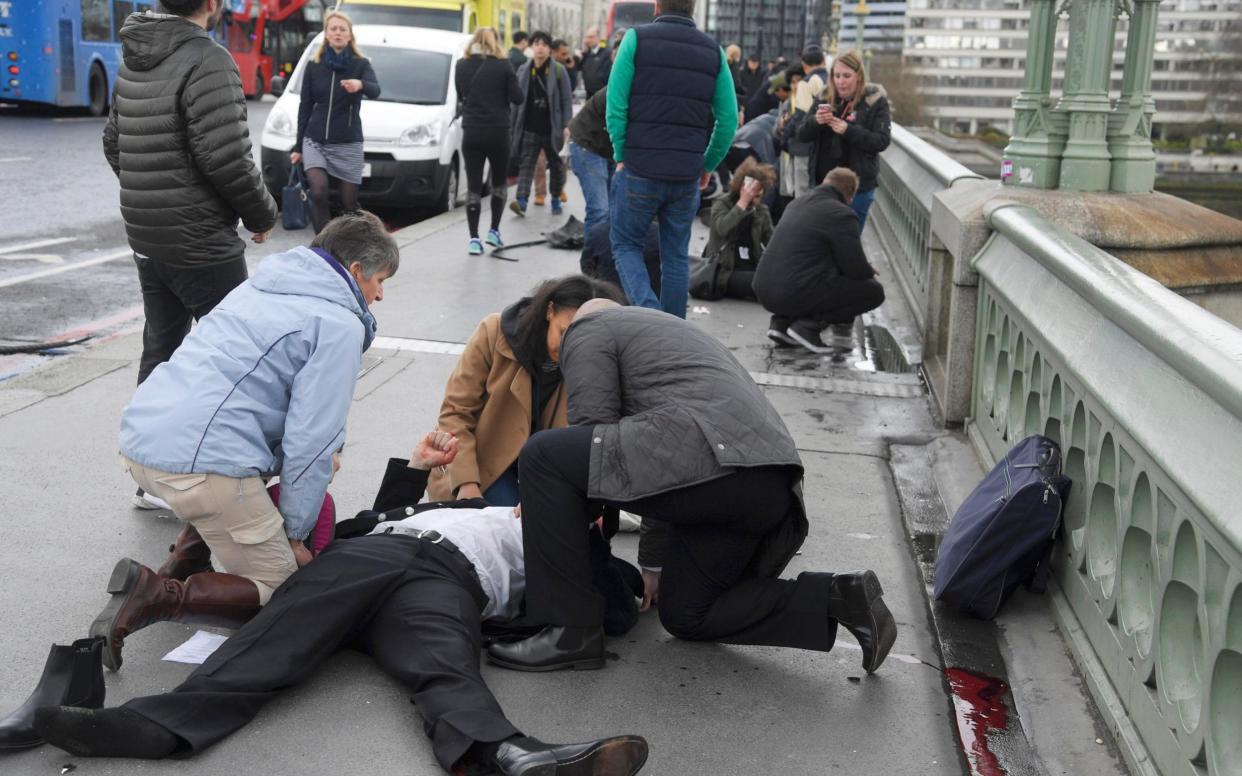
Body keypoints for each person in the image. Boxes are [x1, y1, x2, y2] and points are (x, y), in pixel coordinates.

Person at [32, 432, 651, 776]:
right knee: (279, 639)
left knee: (444, 666)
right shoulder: (465, 505)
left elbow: (614, 610)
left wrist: (582, 534)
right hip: (374, 555)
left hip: (450, 581)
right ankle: (157, 724)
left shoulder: (566, 537)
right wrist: (413, 471)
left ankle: (506, 756)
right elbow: (365, 522)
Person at [485, 302, 898, 676]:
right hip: (766, 484)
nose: (559, 354)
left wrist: (558, 503)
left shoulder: (591, 326)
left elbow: (596, 431)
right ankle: (836, 596)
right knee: (689, 614)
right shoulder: (675, 345)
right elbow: (655, 467)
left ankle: (568, 631)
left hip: (714, 462)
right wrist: (652, 566)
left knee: (542, 455)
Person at [95, 212, 398, 671]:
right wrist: (294, 534)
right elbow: (311, 442)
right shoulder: (338, 322)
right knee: (281, 588)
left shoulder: (263, 284)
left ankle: (180, 564)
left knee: (245, 467)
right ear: (356, 272)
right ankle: (157, 595)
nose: (380, 294)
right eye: (380, 280)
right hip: (199, 465)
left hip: (142, 441)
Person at [103, 0, 277, 388]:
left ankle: (142, 444)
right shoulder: (208, 58)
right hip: (200, 242)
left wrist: (152, 193)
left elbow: (115, 144)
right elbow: (228, 158)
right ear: (212, 4)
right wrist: (262, 215)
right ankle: (225, 446)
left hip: (148, 237)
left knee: (161, 349)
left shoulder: (135, 54)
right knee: (238, 356)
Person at [429, 275, 627, 505]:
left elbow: (596, 436)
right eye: (564, 333)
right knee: (514, 528)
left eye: (580, 340)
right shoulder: (493, 332)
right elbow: (455, 413)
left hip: (548, 471)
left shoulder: (596, 361)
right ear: (549, 311)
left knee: (567, 533)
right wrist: (466, 484)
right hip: (482, 464)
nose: (568, 348)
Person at [606, 0, 739, 319]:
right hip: (685, 176)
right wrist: (707, 164)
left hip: (639, 167)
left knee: (625, 245)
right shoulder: (714, 52)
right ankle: (675, 330)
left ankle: (649, 315)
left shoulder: (635, 40)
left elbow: (616, 106)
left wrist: (621, 154)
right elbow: (729, 120)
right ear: (692, 7)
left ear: (656, 5)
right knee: (676, 257)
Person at [752, 167, 885, 353]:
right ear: (850, 197)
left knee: (810, 275)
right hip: (791, 292)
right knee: (873, 292)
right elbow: (854, 269)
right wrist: (868, 270)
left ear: (824, 182)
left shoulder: (796, 204)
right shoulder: (842, 215)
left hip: (763, 290)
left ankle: (781, 325)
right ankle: (808, 327)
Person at [290, 11, 380, 235]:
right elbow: (305, 106)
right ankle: (324, 242)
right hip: (315, 140)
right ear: (327, 34)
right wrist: (298, 146)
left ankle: (350, 240)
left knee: (348, 204)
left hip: (348, 143)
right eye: (333, 29)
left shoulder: (360, 65)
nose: (338, 33)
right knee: (318, 192)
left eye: (342, 29)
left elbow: (376, 90)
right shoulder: (314, 65)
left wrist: (360, 84)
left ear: (350, 36)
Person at [798, 49, 892, 230]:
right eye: (837, 75)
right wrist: (816, 121)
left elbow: (881, 141)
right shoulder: (824, 97)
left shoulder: (874, 100)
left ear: (859, 76)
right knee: (821, 242)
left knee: (848, 240)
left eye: (847, 76)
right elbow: (802, 134)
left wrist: (849, 130)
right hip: (823, 184)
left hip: (857, 188)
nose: (841, 82)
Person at [456, 27, 523, 255]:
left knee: (474, 185)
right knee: (499, 182)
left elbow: (460, 94)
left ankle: (474, 239)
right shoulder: (504, 65)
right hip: (498, 131)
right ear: (495, 42)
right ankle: (494, 231)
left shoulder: (461, 65)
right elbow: (518, 97)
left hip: (472, 130)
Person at [567, 29, 627, 240]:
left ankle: (604, 259)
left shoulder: (634, 79)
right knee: (600, 209)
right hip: (587, 146)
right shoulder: (618, 85)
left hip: (607, 148)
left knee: (612, 210)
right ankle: (591, 263)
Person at [509, 31, 573, 218]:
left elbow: (566, 101)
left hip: (551, 127)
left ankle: (554, 198)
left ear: (549, 49)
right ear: (531, 47)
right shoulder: (523, 70)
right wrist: (513, 123)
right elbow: (516, 100)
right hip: (529, 126)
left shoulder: (559, 71)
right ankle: (521, 201)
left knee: (555, 164)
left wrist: (566, 125)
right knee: (526, 164)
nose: (540, 48)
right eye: (536, 44)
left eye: (544, 45)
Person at [694, 157, 775, 301]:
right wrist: (742, 203)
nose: (754, 199)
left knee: (779, 281)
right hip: (724, 270)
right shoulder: (723, 203)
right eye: (752, 194)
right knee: (764, 285)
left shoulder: (761, 210)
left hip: (751, 265)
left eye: (758, 196)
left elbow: (772, 242)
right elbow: (721, 228)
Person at [581, 219, 661, 296]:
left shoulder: (598, 232)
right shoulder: (659, 232)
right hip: (651, 298)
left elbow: (586, 266)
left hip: (610, 295)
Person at [579, 26, 609, 97]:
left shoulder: (606, 53)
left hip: (602, 95)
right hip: (588, 94)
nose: (588, 40)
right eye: (587, 37)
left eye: (591, 37)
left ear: (598, 38)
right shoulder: (585, 54)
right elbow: (575, 68)